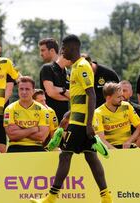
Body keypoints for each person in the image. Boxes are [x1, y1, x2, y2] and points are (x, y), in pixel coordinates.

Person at [31, 35, 112, 203]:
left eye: (64, 48)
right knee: (91, 156)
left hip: (81, 123)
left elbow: (92, 95)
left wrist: (88, 124)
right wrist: (68, 115)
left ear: (73, 48)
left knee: (65, 155)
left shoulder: (82, 66)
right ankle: (106, 197)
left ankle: (51, 197)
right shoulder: (74, 67)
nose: (62, 51)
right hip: (77, 119)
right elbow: (79, 98)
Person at [4, 76, 49, 152]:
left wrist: (20, 130)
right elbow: (12, 135)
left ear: (33, 91)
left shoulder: (43, 110)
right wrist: (33, 129)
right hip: (15, 147)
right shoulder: (9, 109)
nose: (24, 92)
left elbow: (41, 136)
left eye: (27, 89)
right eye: (21, 89)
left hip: (36, 147)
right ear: (18, 90)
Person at [94, 82, 140, 149]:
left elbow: (139, 126)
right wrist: (116, 151)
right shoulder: (98, 113)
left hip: (127, 146)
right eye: (118, 97)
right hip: (110, 148)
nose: (122, 99)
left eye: (121, 96)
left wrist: (129, 141)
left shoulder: (127, 106)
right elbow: (101, 139)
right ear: (108, 98)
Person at [39, 38, 71, 122]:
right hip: (48, 117)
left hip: (64, 118)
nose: (40, 54)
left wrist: (61, 91)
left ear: (52, 50)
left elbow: (73, 94)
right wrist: (67, 95)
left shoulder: (67, 72)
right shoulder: (47, 68)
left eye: (43, 50)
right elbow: (51, 93)